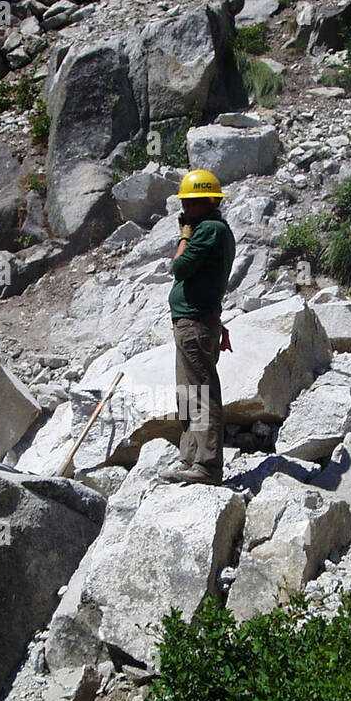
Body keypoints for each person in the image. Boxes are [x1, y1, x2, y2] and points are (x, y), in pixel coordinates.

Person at [159, 169, 235, 485]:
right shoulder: (214, 229)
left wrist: (185, 235)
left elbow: (179, 267)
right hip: (192, 321)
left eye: (190, 204)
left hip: (194, 322)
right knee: (188, 394)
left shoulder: (209, 230)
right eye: (184, 204)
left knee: (201, 392)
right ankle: (189, 457)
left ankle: (207, 464)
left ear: (208, 202)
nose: (185, 210)